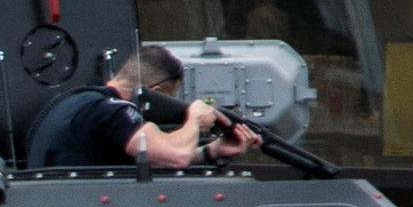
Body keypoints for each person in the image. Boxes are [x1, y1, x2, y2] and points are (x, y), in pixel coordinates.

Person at [26, 47, 262, 171]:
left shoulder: (76, 101)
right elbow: (176, 157)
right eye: (169, 97)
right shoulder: (114, 111)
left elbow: (157, 156)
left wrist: (212, 151)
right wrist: (194, 118)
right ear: (155, 91)